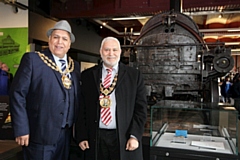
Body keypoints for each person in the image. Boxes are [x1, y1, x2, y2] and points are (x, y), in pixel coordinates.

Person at [9, 20, 81, 160]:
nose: (59, 42)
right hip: (39, 135)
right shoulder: (33, 60)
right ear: (49, 40)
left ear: (69, 44)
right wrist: (21, 128)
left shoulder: (74, 66)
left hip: (65, 135)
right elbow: (17, 94)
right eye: (56, 37)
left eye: (64, 39)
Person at [76, 37, 147, 160]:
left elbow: (140, 108)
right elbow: (81, 107)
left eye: (115, 50)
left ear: (120, 52)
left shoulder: (134, 75)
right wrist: (82, 135)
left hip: (124, 137)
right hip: (95, 137)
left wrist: (134, 135)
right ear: (100, 51)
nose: (111, 54)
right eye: (107, 50)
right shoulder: (87, 75)